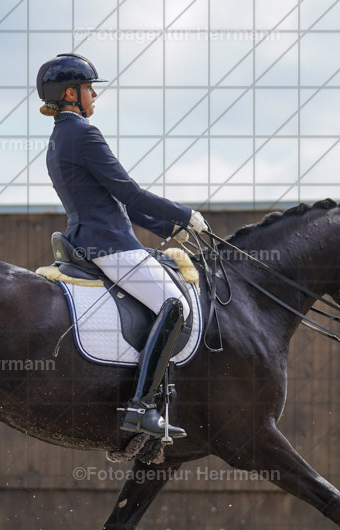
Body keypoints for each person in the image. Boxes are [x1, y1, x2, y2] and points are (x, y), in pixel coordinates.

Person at [37, 53, 210, 441]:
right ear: (70, 93)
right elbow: (129, 193)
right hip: (108, 246)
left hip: (93, 239)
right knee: (176, 306)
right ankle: (142, 406)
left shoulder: (60, 138)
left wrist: (169, 227)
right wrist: (185, 214)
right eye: (88, 88)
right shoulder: (83, 133)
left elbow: (113, 204)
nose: (94, 94)